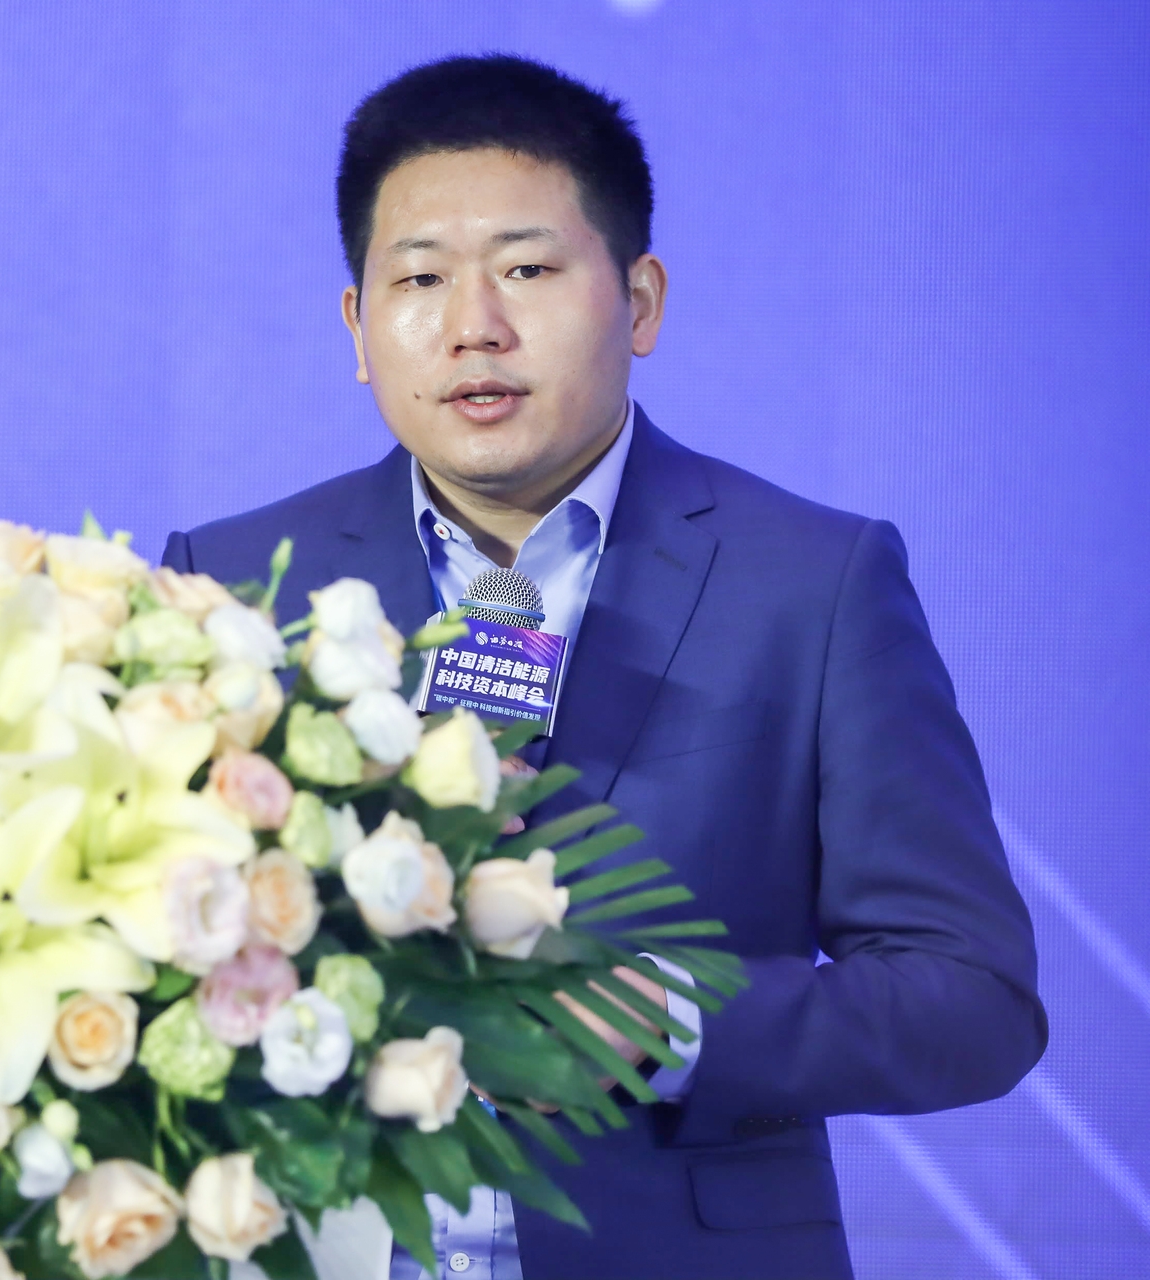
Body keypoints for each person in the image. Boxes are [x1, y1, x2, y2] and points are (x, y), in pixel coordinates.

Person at [163, 55, 1045, 1280]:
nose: (475, 324)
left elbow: (972, 995)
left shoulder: (811, 582)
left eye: (526, 269)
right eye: (419, 278)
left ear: (639, 301)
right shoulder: (234, 578)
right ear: (359, 327)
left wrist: (675, 1021)